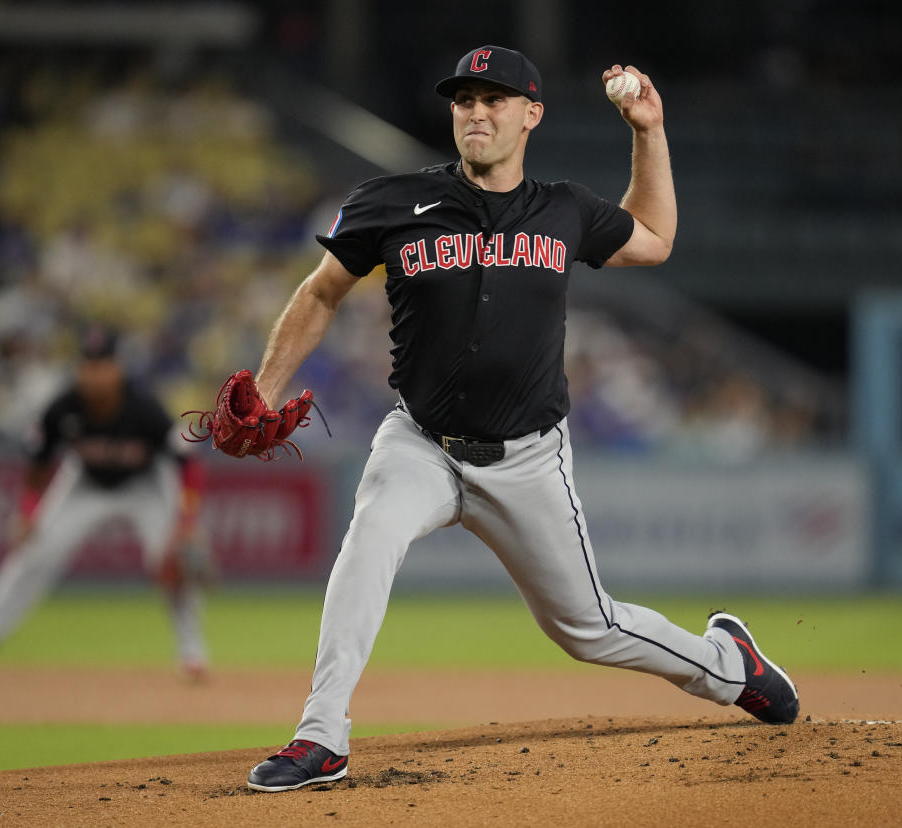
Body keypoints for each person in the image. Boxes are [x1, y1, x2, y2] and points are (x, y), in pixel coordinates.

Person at [244, 46, 799, 793]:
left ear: (530, 114)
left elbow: (656, 239)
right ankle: (323, 735)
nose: (476, 111)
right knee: (369, 536)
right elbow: (319, 294)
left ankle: (732, 667)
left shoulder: (563, 208)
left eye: (494, 99)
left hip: (527, 459)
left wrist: (648, 130)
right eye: (464, 100)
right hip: (420, 441)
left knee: (589, 628)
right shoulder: (391, 201)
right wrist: (263, 386)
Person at [0, 326, 211, 681]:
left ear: (118, 368)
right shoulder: (63, 406)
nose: (94, 373)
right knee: (32, 554)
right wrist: (28, 512)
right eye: (88, 364)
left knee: (171, 559)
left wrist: (186, 521)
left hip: (146, 485)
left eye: (102, 364)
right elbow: (38, 463)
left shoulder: (144, 407)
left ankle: (192, 654)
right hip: (84, 482)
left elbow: (188, 463)